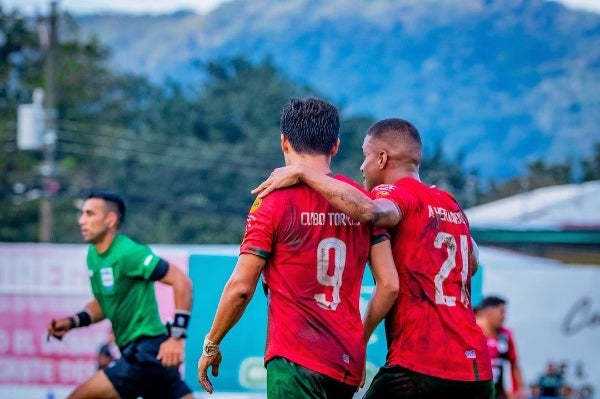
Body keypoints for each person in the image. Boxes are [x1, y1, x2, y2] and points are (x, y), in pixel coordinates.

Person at [252, 118, 494, 398]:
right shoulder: (449, 204)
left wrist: (304, 174)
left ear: (381, 158)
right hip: (477, 372)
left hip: (422, 366)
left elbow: (371, 212)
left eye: (365, 157)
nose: (361, 167)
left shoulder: (394, 195)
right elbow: (472, 261)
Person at [197, 97, 399, 398]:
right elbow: (389, 285)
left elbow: (241, 287)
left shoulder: (272, 200)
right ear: (335, 146)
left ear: (283, 142)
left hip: (295, 359)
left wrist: (212, 343)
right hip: (347, 362)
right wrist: (359, 338)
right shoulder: (360, 200)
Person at [46, 191, 194, 399]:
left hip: (145, 352)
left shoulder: (129, 252)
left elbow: (182, 282)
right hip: (149, 355)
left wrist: (177, 338)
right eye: (82, 214)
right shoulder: (94, 256)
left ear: (110, 220)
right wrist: (72, 322)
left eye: (89, 214)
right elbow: (104, 303)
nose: (81, 220)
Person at [475, 296, 526, 399]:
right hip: (475, 391)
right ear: (488, 311)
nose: (504, 317)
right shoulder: (473, 332)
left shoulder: (505, 335)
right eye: (501, 312)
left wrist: (518, 390)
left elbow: (514, 363)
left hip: (498, 392)